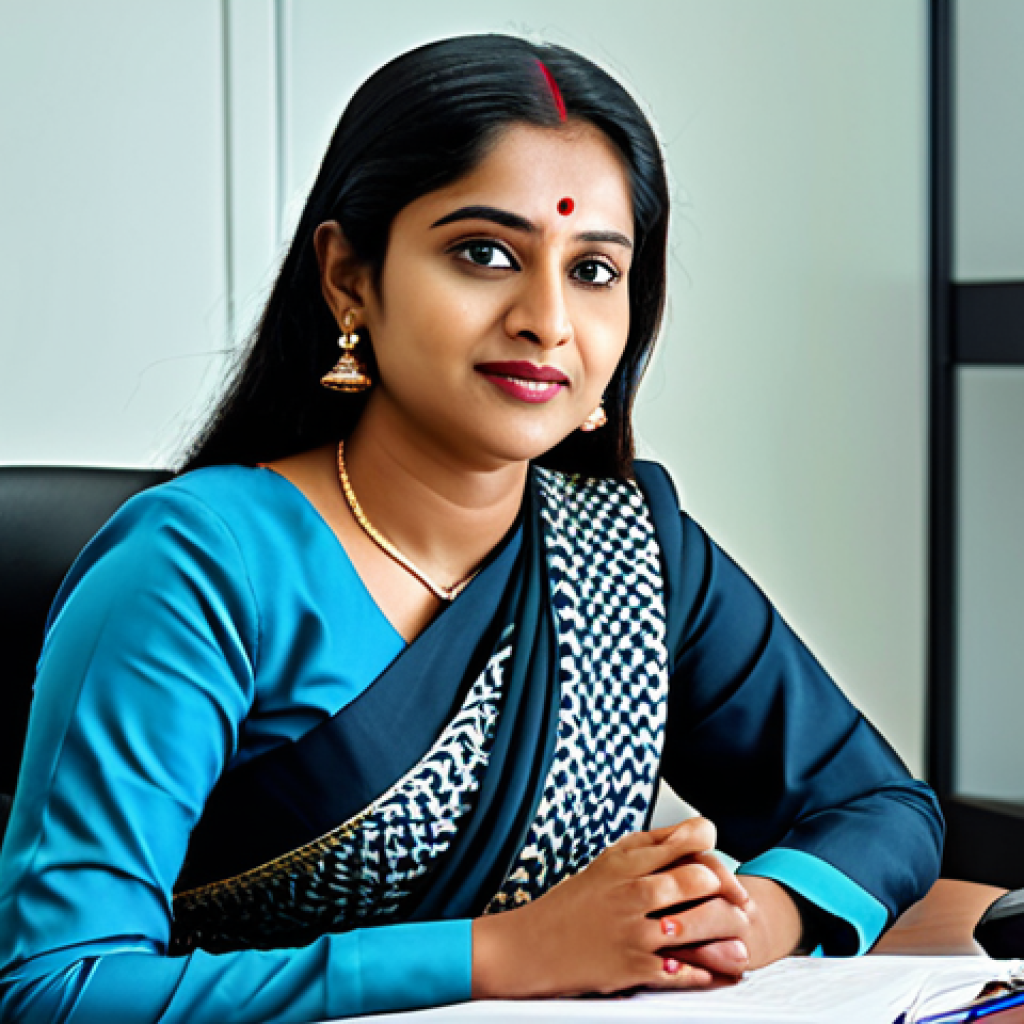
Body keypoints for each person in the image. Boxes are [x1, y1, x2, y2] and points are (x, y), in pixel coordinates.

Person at [0, 33, 942, 1024]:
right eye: (483, 253)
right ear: (348, 278)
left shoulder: (633, 555)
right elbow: (59, 989)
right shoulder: (198, 566)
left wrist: (744, 918)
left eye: (593, 270)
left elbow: (880, 809)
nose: (547, 319)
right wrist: (503, 952)